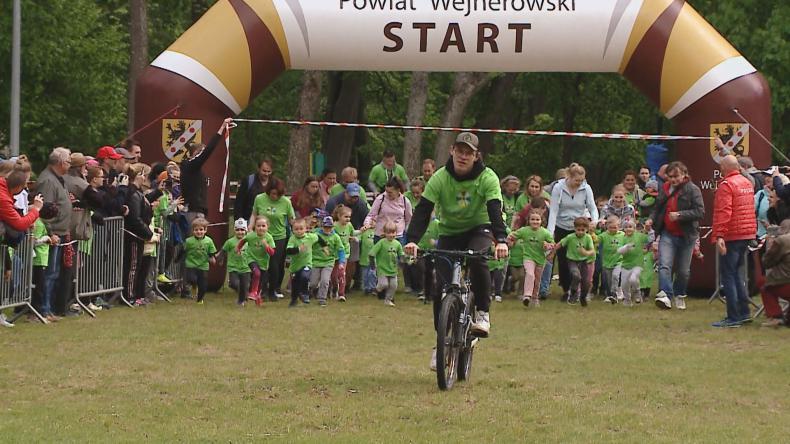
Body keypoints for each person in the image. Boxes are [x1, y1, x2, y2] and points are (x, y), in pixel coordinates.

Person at [405, 131, 509, 370]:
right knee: (439, 287)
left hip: (481, 228)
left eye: (468, 153)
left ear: (476, 156)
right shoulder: (440, 177)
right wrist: (412, 240)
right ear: (452, 151)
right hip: (450, 231)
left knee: (478, 259)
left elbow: (494, 208)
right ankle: (441, 343)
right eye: (460, 151)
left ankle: (482, 312)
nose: (463, 157)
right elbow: (423, 211)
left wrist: (501, 240)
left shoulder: (487, 177)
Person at [648, 161, 704, 310]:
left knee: (683, 271)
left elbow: (700, 212)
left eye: (676, 176)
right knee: (664, 264)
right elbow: (657, 207)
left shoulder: (693, 190)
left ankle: (679, 294)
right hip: (667, 233)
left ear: (684, 174)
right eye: (670, 176)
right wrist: (651, 219)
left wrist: (680, 215)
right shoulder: (664, 189)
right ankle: (665, 295)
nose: (674, 179)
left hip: (687, 235)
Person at [710, 155, 758, 328]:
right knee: (738, 274)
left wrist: (720, 235)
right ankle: (744, 312)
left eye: (721, 166)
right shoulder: (746, 183)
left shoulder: (726, 185)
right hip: (746, 234)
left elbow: (725, 211)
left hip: (732, 234)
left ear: (725, 167)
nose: (720, 169)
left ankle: (733, 316)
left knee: (728, 275)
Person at [547, 164, 599, 301]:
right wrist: (550, 233)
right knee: (564, 261)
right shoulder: (558, 188)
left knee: (580, 259)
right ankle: (567, 289)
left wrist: (594, 221)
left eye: (581, 180)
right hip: (561, 226)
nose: (579, 183)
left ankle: (578, 290)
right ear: (569, 177)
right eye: (577, 180)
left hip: (579, 227)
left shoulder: (586, 188)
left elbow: (592, 207)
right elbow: (553, 211)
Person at [36, 147, 75, 319]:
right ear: (60, 162)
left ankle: (49, 308)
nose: (70, 165)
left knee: (54, 273)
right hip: (53, 234)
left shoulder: (58, 179)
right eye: (68, 161)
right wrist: (51, 232)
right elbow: (45, 211)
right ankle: (44, 309)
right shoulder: (48, 181)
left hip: (60, 232)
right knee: (49, 274)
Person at [250, 178, 294, 301]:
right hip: (261, 236)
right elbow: (254, 214)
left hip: (279, 237)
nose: (275, 197)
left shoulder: (286, 202)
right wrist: (250, 226)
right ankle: (260, 289)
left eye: (278, 194)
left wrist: (298, 230)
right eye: (273, 194)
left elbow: (291, 219)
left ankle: (273, 290)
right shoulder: (259, 198)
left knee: (275, 265)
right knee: (261, 263)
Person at [181, 118, 232, 222]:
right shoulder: (191, 166)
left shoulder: (193, 168)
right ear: (195, 153)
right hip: (193, 211)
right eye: (201, 152)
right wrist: (221, 128)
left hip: (197, 210)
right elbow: (208, 150)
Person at [123, 164, 156, 307]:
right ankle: (130, 296)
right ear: (138, 176)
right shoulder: (133, 194)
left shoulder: (138, 193)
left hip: (138, 235)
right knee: (133, 266)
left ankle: (136, 294)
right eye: (144, 175)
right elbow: (135, 218)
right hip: (134, 236)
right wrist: (149, 234)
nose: (145, 179)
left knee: (136, 266)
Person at [509, 210, 554, 307]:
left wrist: (547, 246)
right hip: (528, 257)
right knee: (530, 274)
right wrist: (509, 240)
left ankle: (534, 298)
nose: (535, 222)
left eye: (537, 220)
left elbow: (552, 244)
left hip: (540, 259)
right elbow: (512, 235)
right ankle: (527, 295)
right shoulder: (524, 230)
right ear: (528, 220)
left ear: (542, 221)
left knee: (537, 280)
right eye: (532, 219)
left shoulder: (545, 233)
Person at [553, 217, 595, 306]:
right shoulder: (570, 237)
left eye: (583, 230)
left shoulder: (588, 238)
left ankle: (583, 297)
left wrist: (586, 252)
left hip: (583, 261)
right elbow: (561, 243)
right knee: (576, 275)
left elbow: (592, 250)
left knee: (586, 281)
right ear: (574, 229)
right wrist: (552, 252)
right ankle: (573, 292)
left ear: (586, 229)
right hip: (572, 260)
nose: (580, 232)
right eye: (578, 230)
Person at [237, 216, 275, 306]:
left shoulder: (269, 238)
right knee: (256, 273)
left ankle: (257, 298)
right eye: (258, 226)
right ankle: (252, 293)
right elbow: (243, 241)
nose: (260, 228)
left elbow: (272, 253)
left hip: (263, 263)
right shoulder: (251, 235)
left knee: (260, 283)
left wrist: (266, 246)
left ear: (267, 227)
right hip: (251, 258)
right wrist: (238, 249)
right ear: (255, 227)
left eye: (263, 226)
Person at [309, 216, 346, 307]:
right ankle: (310, 291)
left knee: (325, 280)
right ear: (322, 226)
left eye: (329, 227)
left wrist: (341, 262)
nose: (327, 229)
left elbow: (341, 250)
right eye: (325, 227)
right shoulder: (315, 234)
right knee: (313, 282)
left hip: (328, 262)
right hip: (315, 261)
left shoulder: (335, 237)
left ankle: (322, 298)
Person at [362, 176, 412, 242]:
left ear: (398, 190)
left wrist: (405, 232)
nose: (387, 194)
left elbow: (408, 219)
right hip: (381, 235)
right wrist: (366, 224)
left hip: (398, 236)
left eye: (390, 192)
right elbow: (371, 215)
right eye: (386, 191)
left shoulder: (405, 201)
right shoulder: (380, 199)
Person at [759, 220, 790, 327]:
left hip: (786, 282)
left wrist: (771, 245)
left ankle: (775, 316)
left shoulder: (782, 241)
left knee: (765, 286)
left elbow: (767, 262)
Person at [183, 217, 217, 304]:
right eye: (196, 230)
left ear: (205, 230)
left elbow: (211, 252)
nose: (199, 232)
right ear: (193, 231)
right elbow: (183, 251)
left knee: (203, 285)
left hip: (203, 265)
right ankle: (194, 286)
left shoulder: (209, 241)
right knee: (192, 279)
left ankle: (199, 300)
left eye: (201, 230)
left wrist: (212, 258)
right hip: (191, 264)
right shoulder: (188, 241)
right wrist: (178, 259)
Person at [285, 218, 319, 306]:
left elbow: (319, 238)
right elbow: (288, 251)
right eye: (296, 229)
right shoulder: (292, 239)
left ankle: (305, 294)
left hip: (307, 264)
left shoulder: (310, 237)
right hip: (295, 267)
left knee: (305, 277)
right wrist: (298, 249)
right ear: (292, 230)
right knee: (295, 285)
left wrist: (325, 246)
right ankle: (294, 300)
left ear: (305, 229)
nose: (299, 231)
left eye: (301, 229)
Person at [370, 221, 404, 307]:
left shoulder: (397, 244)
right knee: (384, 284)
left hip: (393, 269)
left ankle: (388, 300)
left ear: (396, 233)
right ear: (384, 233)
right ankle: (377, 289)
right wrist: (372, 264)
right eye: (389, 233)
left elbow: (401, 254)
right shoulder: (381, 242)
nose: (391, 235)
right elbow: (372, 253)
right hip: (382, 268)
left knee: (393, 286)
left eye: (393, 232)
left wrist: (403, 261)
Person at [617, 220, 650, 306]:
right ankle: (627, 300)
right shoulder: (622, 238)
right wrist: (626, 247)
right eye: (626, 227)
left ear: (634, 228)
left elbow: (649, 238)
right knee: (624, 285)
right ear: (624, 229)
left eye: (630, 227)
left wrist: (648, 229)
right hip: (625, 265)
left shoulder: (639, 236)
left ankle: (637, 293)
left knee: (633, 279)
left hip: (637, 264)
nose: (628, 229)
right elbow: (619, 251)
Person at [220, 218, 251, 306]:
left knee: (245, 285)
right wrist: (220, 259)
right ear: (234, 230)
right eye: (237, 230)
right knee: (234, 284)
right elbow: (223, 250)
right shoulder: (230, 242)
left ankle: (241, 301)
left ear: (246, 230)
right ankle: (243, 294)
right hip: (233, 267)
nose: (240, 232)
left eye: (242, 230)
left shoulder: (249, 241)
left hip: (246, 267)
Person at [234, 157, 274, 222]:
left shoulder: (274, 183)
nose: (266, 174)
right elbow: (239, 203)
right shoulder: (248, 181)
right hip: (248, 220)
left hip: (267, 223)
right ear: (258, 169)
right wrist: (239, 221)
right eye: (264, 171)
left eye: (269, 171)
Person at [599, 216, 625, 304]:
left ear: (619, 226)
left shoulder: (622, 235)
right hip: (607, 261)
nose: (613, 229)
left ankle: (614, 294)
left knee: (615, 276)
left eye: (615, 227)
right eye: (611, 227)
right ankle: (609, 295)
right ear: (607, 227)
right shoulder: (603, 235)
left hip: (619, 260)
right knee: (608, 279)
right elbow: (595, 241)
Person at [331, 205, 354, 301]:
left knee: (342, 273)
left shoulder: (349, 225)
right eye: (346, 217)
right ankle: (333, 289)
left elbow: (352, 233)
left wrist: (357, 234)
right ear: (339, 216)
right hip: (334, 253)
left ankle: (341, 293)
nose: (348, 219)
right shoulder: (334, 226)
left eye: (349, 217)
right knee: (333, 275)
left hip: (344, 253)